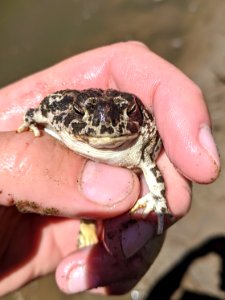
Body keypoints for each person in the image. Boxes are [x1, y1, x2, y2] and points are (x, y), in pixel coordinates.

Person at [0, 42, 220, 296]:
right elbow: (43, 108)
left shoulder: (140, 135)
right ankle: (88, 222)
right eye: (83, 112)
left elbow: (151, 168)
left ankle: (89, 220)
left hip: (128, 154)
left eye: (126, 113)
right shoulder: (63, 114)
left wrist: (157, 201)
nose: (104, 126)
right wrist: (30, 122)